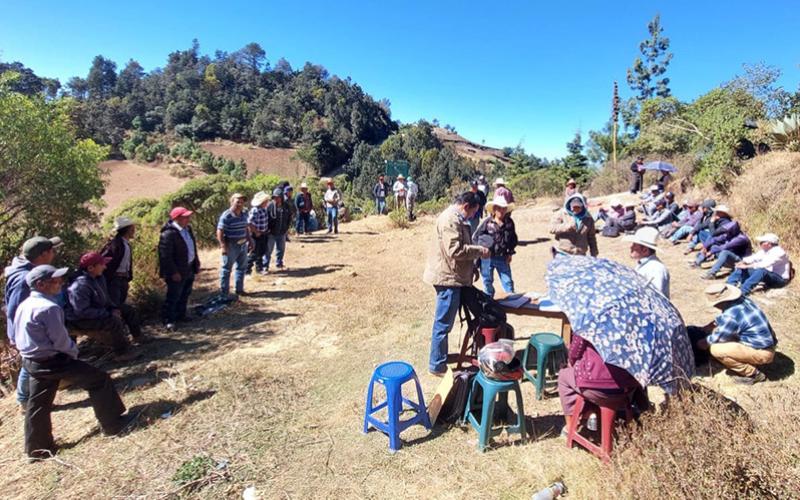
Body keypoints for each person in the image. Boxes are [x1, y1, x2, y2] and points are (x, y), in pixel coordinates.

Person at [14, 265, 130, 459]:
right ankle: (113, 424)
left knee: (38, 404)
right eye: (55, 280)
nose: (60, 283)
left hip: (32, 362)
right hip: (53, 360)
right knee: (99, 380)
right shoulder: (49, 308)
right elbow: (60, 341)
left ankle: (38, 449)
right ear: (40, 284)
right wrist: (72, 353)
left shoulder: (25, 305)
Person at [422, 192, 490, 376]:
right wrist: (479, 251)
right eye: (474, 213)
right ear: (466, 206)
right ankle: (437, 365)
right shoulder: (450, 220)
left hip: (454, 276)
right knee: (443, 324)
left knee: (446, 323)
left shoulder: (456, 218)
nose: (474, 217)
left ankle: (442, 359)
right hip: (447, 278)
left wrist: (471, 269)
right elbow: (455, 250)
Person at [4, 236, 63, 412]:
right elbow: (15, 308)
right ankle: (23, 399)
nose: (54, 253)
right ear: (43, 254)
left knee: (33, 361)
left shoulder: (29, 270)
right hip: (27, 328)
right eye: (51, 251)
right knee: (31, 361)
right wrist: (17, 334)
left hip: (31, 326)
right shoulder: (25, 278)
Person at [558, 334, 647, 434]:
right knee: (590, 380)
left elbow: (575, 352)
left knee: (564, 376)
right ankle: (590, 411)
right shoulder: (637, 325)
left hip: (593, 385)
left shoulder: (592, 321)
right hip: (627, 389)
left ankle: (570, 427)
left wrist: (573, 363)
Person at [691, 283, 776, 384]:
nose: (715, 306)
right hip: (766, 343)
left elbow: (714, 340)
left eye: (715, 304)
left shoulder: (731, 316)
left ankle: (754, 374)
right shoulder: (742, 300)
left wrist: (698, 344)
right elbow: (722, 319)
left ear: (721, 302)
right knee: (722, 337)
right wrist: (708, 327)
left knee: (716, 349)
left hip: (763, 352)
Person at [65, 252, 144, 358]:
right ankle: (122, 353)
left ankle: (138, 337)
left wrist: (113, 308)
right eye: (102, 264)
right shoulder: (79, 286)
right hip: (78, 320)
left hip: (97, 311)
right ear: (91, 268)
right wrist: (107, 313)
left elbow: (105, 299)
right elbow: (81, 312)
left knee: (128, 310)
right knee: (113, 321)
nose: (105, 267)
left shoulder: (99, 278)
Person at [158, 207, 199, 331]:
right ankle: (168, 320)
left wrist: (195, 262)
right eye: (185, 217)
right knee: (173, 296)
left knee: (185, 293)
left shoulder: (187, 229)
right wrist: (173, 272)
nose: (188, 219)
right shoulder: (168, 234)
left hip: (189, 266)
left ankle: (181, 315)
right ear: (177, 218)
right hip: (177, 270)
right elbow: (165, 256)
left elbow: (192, 246)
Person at [473, 196, 518, 297]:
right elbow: (475, 237)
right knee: (487, 282)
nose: (501, 210)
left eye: (503, 208)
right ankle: (489, 304)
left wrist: (510, 253)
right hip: (487, 258)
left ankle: (512, 302)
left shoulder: (509, 223)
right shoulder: (487, 222)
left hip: (502, 257)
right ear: (494, 209)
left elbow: (513, 239)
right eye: (499, 208)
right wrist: (479, 253)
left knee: (507, 281)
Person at [726, 233, 791, 295]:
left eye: (762, 242)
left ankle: (743, 291)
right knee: (741, 268)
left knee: (761, 270)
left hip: (780, 280)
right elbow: (753, 258)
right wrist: (742, 262)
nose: (760, 243)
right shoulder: (765, 251)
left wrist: (746, 266)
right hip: (768, 275)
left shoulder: (779, 252)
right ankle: (729, 286)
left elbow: (763, 265)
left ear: (768, 243)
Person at [692, 206, 751, 270]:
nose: (715, 213)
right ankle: (698, 261)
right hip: (730, 252)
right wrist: (705, 246)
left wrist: (711, 251)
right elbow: (715, 238)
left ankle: (711, 273)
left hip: (740, 259)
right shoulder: (727, 230)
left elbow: (723, 244)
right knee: (712, 243)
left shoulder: (740, 238)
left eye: (717, 211)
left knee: (723, 251)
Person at [216, 193, 253, 297]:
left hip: (243, 243)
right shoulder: (226, 215)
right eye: (238, 201)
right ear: (232, 202)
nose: (240, 203)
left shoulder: (244, 213)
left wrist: (250, 240)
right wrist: (223, 246)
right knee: (226, 268)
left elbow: (246, 227)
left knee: (242, 267)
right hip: (231, 244)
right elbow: (220, 231)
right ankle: (224, 293)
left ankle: (239, 290)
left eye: (242, 201)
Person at [99, 217, 136, 310]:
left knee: (120, 303)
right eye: (132, 228)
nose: (134, 230)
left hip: (123, 279)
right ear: (127, 229)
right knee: (115, 305)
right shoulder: (115, 245)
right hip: (115, 280)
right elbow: (103, 260)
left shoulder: (125, 244)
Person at [623, 227, 670, 298]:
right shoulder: (644, 265)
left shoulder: (656, 269)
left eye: (635, 245)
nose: (631, 247)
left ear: (645, 250)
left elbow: (656, 296)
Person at [265, 187, 291, 272]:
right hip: (271, 233)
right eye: (274, 197)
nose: (276, 199)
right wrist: (267, 229)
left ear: (281, 197)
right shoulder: (269, 206)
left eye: (278, 197)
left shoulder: (286, 206)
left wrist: (286, 228)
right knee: (268, 250)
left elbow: (289, 217)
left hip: (282, 232)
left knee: (281, 249)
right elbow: (265, 218)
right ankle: (265, 266)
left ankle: (279, 263)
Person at [247, 191, 270, 275]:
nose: (267, 202)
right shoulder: (255, 210)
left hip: (263, 234)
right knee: (254, 252)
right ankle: (247, 269)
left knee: (261, 252)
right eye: (266, 201)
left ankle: (259, 269)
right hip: (256, 235)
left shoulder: (264, 209)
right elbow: (249, 223)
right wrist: (256, 232)